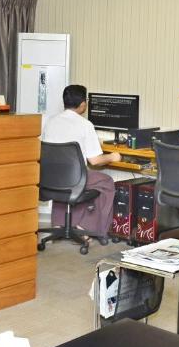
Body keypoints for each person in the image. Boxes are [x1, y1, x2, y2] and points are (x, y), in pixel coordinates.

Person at [40, 84, 122, 241]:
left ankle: (58, 224)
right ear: (83, 104)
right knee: (106, 182)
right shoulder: (85, 125)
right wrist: (113, 157)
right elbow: (95, 161)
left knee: (69, 180)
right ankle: (91, 229)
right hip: (74, 179)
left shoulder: (50, 122)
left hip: (50, 179)